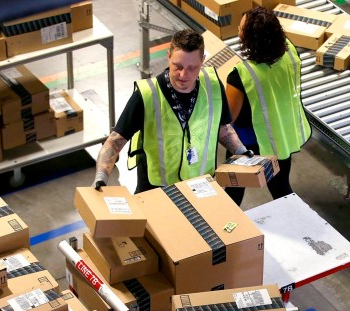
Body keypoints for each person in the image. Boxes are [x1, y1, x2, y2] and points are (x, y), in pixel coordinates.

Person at [92, 29, 251, 193]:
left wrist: (242, 151)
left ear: (203, 60)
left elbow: (223, 127)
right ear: (169, 56)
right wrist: (101, 177)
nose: (183, 75)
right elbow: (115, 140)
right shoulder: (147, 95)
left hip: (200, 184)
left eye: (192, 68)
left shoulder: (212, 86)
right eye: (178, 66)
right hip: (157, 188)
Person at [224, 6, 311, 205]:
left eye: (241, 28)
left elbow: (229, 118)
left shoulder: (242, 75)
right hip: (282, 137)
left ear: (250, 39)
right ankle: (299, 225)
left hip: (250, 143)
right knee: (281, 188)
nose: (238, 29)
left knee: (233, 191)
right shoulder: (289, 52)